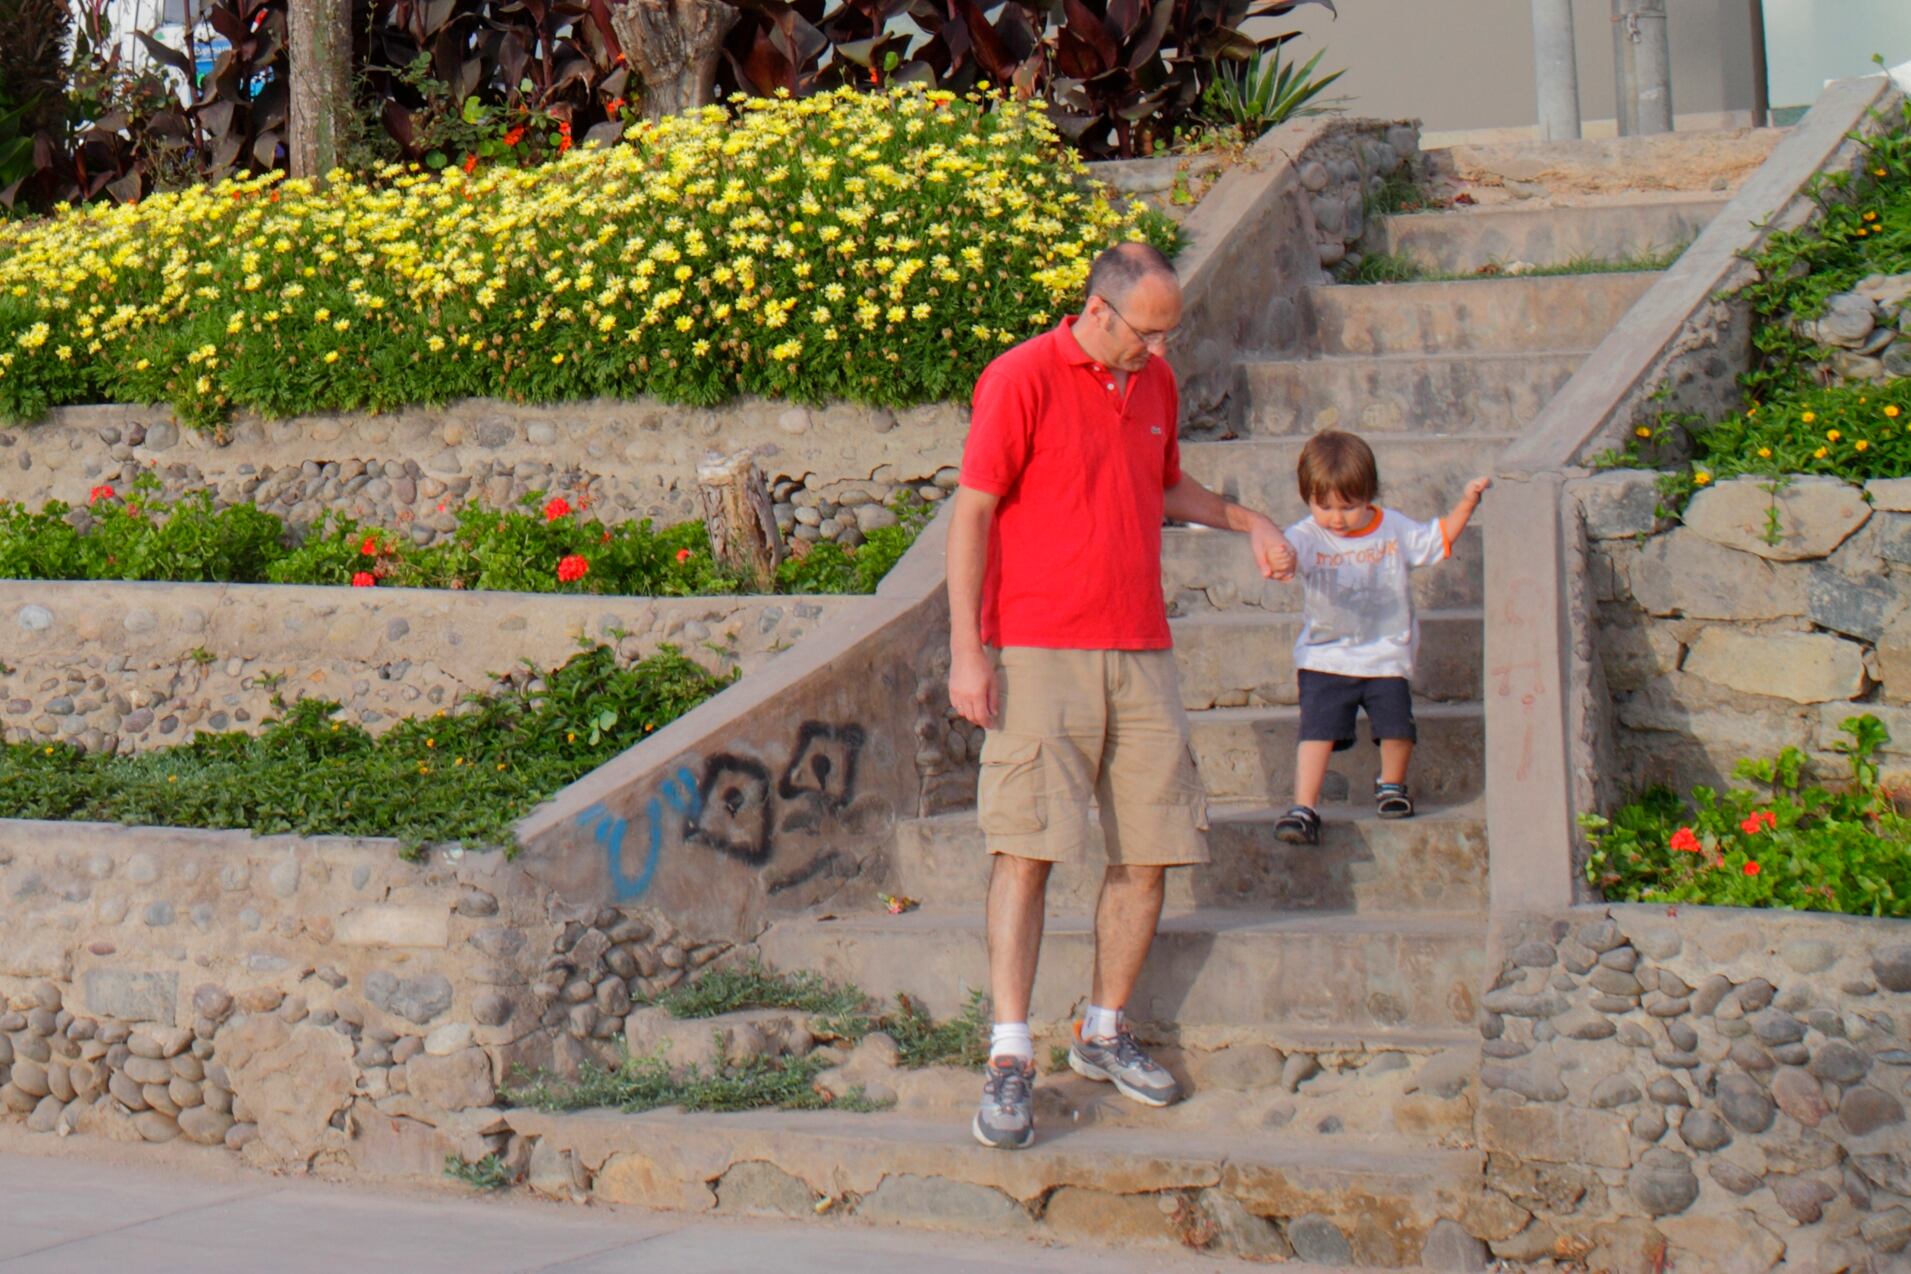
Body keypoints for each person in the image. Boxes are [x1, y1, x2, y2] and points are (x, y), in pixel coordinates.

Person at [946, 241, 1296, 1151]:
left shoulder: (1154, 385)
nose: (1161, 350)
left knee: (1149, 848)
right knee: (1024, 850)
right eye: (1148, 332)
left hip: (1141, 649)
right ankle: (1010, 1053)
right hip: (1038, 649)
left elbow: (1165, 486)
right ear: (1097, 312)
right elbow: (974, 511)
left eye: (1168, 334)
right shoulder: (1020, 377)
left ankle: (1103, 1029)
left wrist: (1248, 518)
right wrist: (968, 653)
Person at [1269, 430, 1488, 846]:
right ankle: (1304, 806)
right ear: (1307, 500)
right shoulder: (1308, 535)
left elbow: (1436, 539)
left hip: (1387, 653)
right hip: (1325, 656)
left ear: (1369, 495)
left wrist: (1467, 503)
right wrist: (1278, 558)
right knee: (1315, 732)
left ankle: (1391, 785)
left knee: (1397, 728)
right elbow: (1285, 552)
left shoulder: (1394, 528)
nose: (1335, 518)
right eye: (1323, 506)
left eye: (1348, 507)